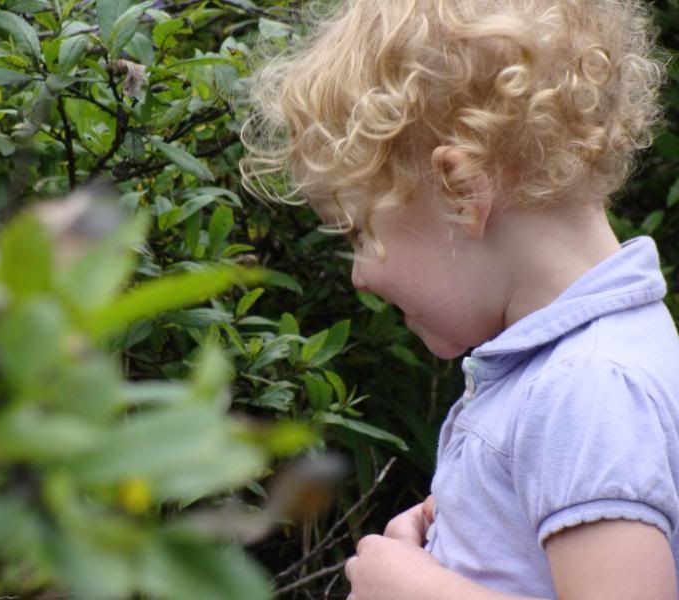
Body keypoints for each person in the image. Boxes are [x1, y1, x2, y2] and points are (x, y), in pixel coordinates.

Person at [240, 0, 679, 598]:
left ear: (460, 193)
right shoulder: (570, 371)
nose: (359, 277)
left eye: (360, 233)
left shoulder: (588, 387)